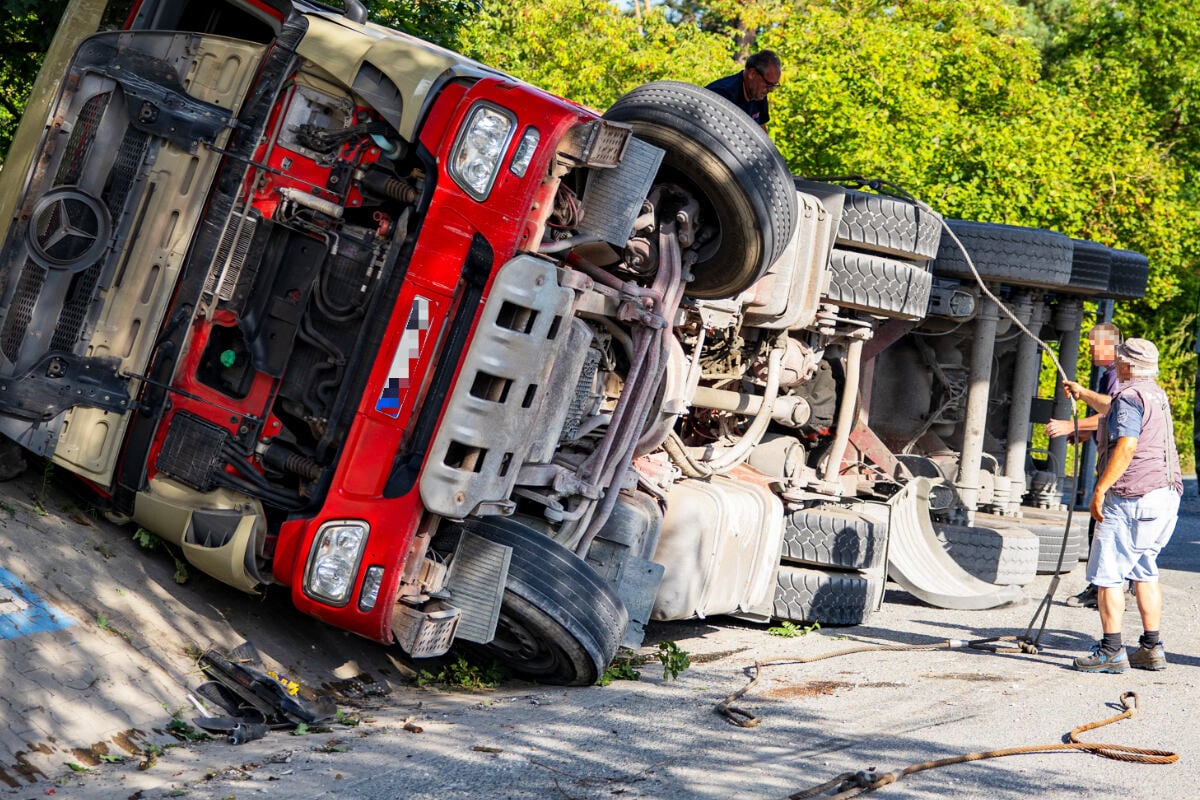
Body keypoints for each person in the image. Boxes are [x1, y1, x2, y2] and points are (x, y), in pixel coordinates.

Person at [1070, 338, 1181, 673]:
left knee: (1107, 575)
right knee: (1144, 570)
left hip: (1132, 497)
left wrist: (1100, 488)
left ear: (1127, 366)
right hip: (1164, 496)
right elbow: (1113, 409)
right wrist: (1082, 392)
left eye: (1119, 360)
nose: (1115, 363)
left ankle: (1111, 651)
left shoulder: (1129, 398)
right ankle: (1150, 648)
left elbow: (1128, 445)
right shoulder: (1154, 394)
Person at [1047, 322, 1121, 608]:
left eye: (1093, 345)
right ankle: (1105, 585)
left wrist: (1071, 425)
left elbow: (1112, 412)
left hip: (1115, 463)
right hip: (1108, 458)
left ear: (1108, 345)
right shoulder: (1109, 374)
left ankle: (1101, 588)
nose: (1089, 350)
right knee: (1100, 522)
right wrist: (1083, 433)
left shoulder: (1116, 376)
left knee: (1101, 521)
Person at [704, 51, 782, 131]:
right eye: (768, 84)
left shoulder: (758, 94)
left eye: (774, 85)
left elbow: (761, 131)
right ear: (752, 74)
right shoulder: (722, 95)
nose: (771, 90)